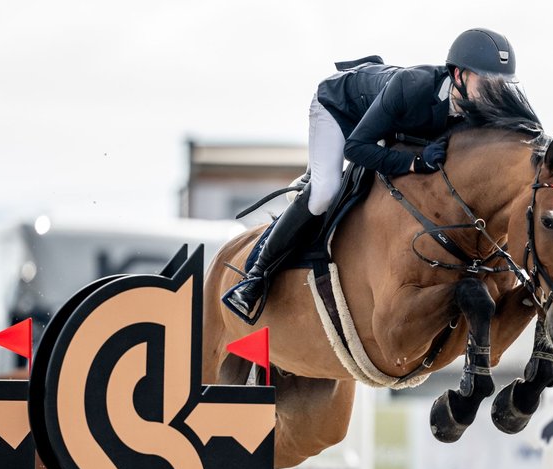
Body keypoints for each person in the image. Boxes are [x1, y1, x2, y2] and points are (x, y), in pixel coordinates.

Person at [222, 28, 518, 323]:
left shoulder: (476, 110)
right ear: (458, 76)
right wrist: (414, 163)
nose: (497, 92)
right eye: (489, 82)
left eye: (504, 84)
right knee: (325, 191)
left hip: (386, 125)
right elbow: (356, 148)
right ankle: (255, 278)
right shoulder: (412, 87)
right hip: (339, 109)